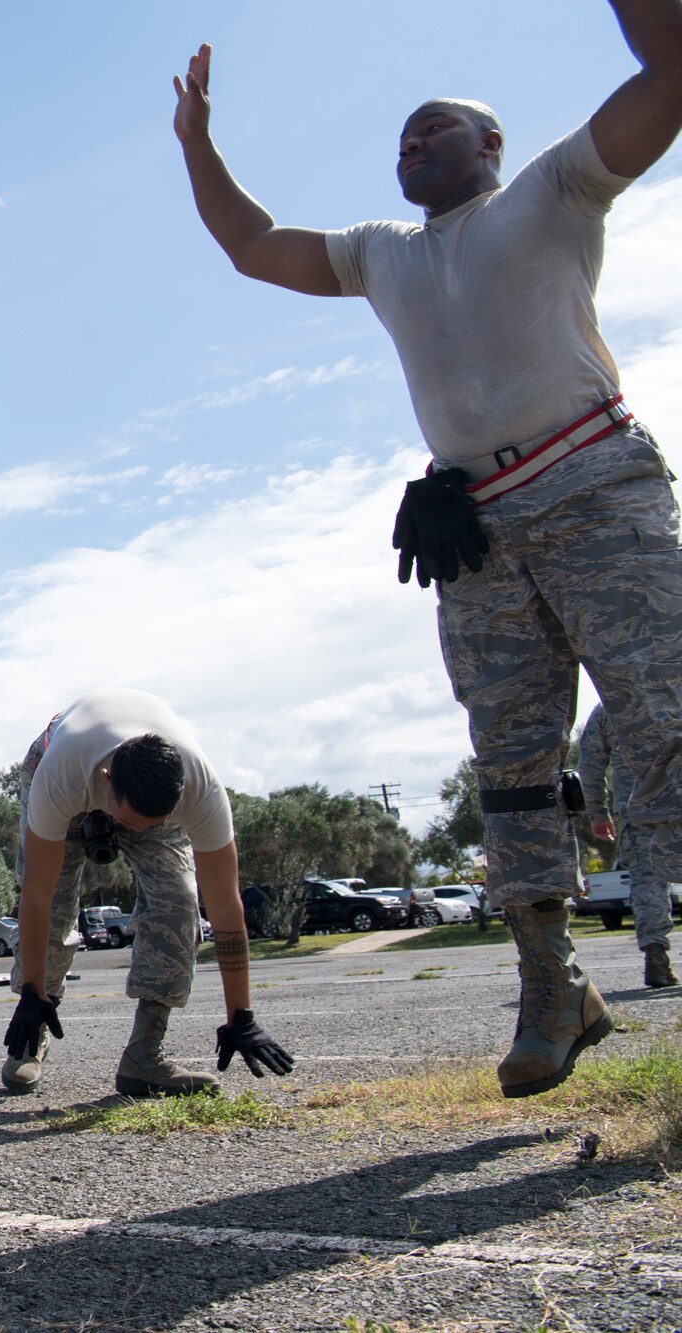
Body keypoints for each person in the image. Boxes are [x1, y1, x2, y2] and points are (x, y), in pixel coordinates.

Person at [171, 6, 682, 1097]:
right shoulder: (382, 253)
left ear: (488, 146)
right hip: (474, 524)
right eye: (399, 135)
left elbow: (667, 77)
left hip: (592, 484)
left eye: (433, 128)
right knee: (509, 769)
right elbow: (251, 247)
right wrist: (196, 146)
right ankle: (552, 989)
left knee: (664, 718)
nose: (409, 142)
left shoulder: (550, 189)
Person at [2, 689, 294, 1098]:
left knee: (178, 899)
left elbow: (226, 905)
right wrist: (32, 991)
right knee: (56, 907)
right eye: (128, 821)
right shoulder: (60, 778)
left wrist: (241, 1015)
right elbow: (37, 895)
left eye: (149, 824)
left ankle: (145, 1056)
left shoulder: (200, 791)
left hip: (142, 787)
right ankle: (31, 1032)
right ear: (106, 785)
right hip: (56, 759)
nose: (135, 833)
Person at [578, 703, 677, 986]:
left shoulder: (611, 702)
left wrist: (598, 812)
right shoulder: (673, 685)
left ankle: (656, 956)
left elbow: (590, 763)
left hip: (641, 806)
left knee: (649, 883)